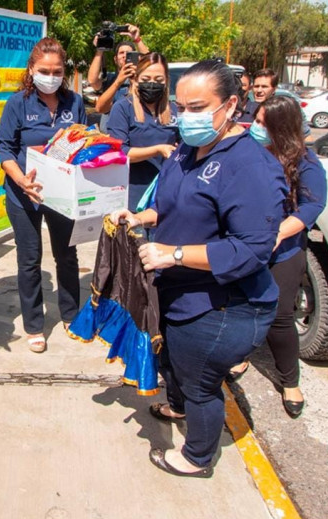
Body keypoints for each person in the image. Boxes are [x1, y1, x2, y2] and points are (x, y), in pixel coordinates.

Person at [111, 59, 287, 477]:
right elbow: (170, 204)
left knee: (201, 383)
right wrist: (142, 218)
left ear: (230, 105)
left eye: (198, 107)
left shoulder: (249, 166)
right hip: (180, 291)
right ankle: (176, 406)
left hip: (224, 304)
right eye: (182, 106)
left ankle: (197, 457)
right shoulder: (185, 151)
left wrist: (172, 255)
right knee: (173, 359)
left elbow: (252, 247)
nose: (187, 117)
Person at [230, 96, 327, 418]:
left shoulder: (306, 163)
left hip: (284, 250)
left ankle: (290, 382)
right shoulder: (246, 152)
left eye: (263, 124)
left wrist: (278, 234)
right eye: (255, 121)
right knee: (241, 307)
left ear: (281, 129)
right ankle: (240, 355)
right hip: (245, 245)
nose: (255, 128)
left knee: (280, 316)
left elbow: (312, 207)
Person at [0, 38, 87, 353]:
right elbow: (5, 148)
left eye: (57, 70)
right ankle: (34, 324)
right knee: (30, 259)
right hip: (24, 195)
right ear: (32, 69)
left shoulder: (74, 102)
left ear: (64, 71)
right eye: (44, 70)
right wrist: (22, 181)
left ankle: (72, 314)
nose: (50, 75)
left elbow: (83, 143)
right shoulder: (17, 103)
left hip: (62, 195)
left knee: (67, 255)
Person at [106, 52, 178, 211]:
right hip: (131, 196)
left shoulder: (174, 110)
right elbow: (120, 152)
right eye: (146, 79)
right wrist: (158, 150)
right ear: (136, 79)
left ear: (166, 81)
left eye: (159, 80)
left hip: (165, 195)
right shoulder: (123, 107)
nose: (152, 84)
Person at [87, 24, 150, 115]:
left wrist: (137, 40)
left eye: (128, 53)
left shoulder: (142, 77)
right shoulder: (110, 79)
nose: (125, 56)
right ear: (115, 59)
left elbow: (151, 64)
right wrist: (100, 49)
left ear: (136, 57)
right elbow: (92, 81)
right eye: (121, 53)